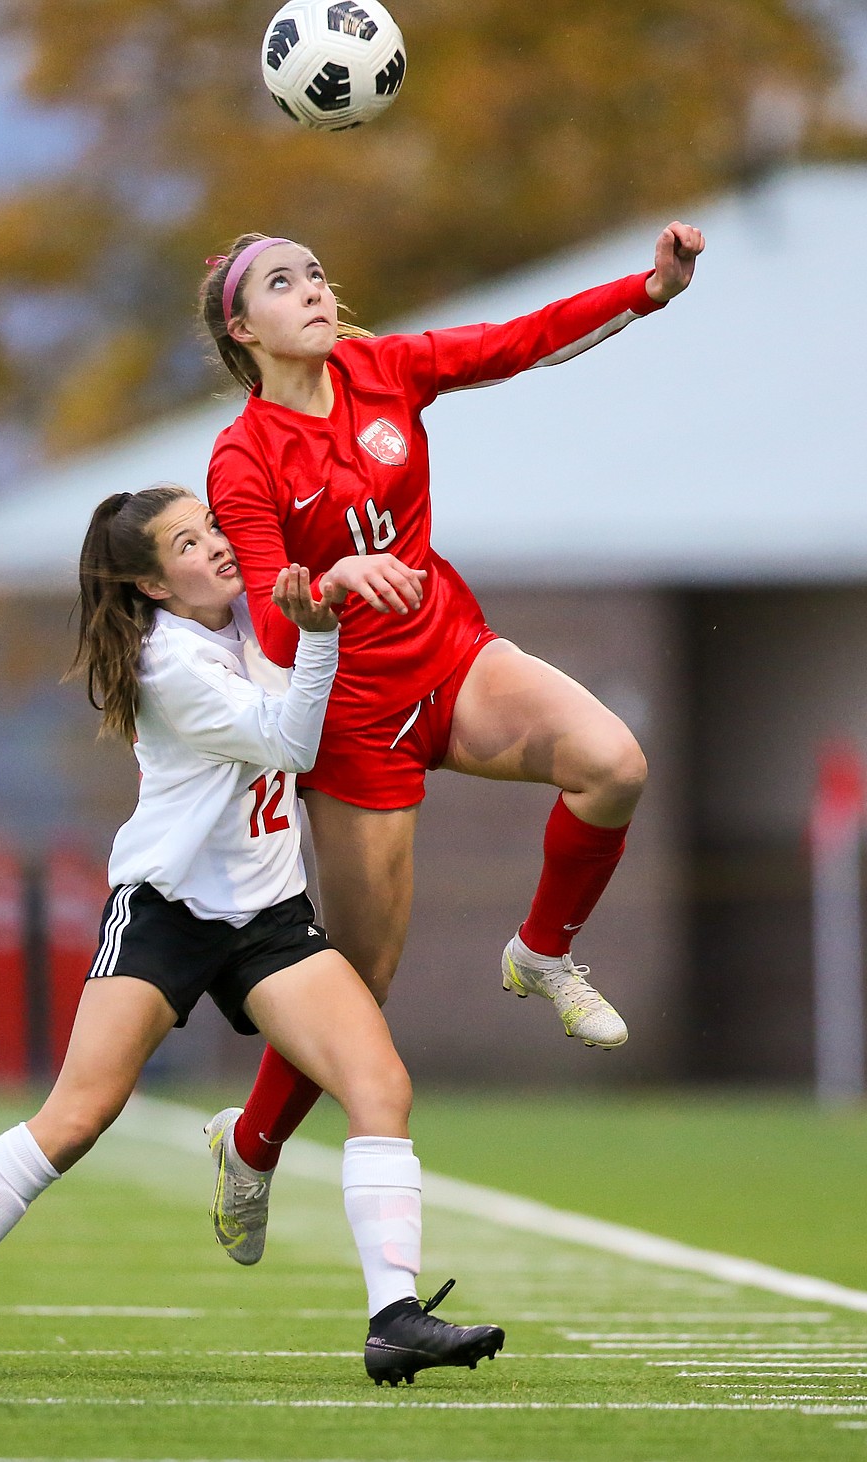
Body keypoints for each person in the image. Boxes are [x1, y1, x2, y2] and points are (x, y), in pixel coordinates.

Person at [0, 485, 503, 1389]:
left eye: (213, 528)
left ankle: (391, 1318)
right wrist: (320, 631)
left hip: (270, 920)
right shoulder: (172, 664)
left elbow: (303, 598)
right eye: (190, 544)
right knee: (76, 1118)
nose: (219, 548)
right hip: (168, 911)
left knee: (379, 1085)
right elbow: (290, 743)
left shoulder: (250, 623)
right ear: (154, 587)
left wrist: (335, 581)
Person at [197, 223, 705, 1253]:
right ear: (243, 328)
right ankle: (249, 1148)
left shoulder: (385, 370)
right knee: (361, 980)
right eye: (283, 282)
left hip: (450, 658)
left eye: (317, 272)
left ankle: (543, 952)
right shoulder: (243, 457)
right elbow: (274, 624)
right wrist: (329, 588)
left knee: (614, 763)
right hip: (351, 724)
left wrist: (649, 288)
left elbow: (522, 341)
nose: (314, 290)